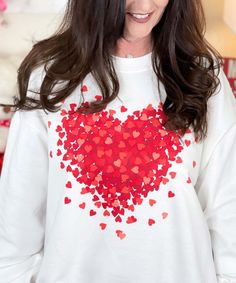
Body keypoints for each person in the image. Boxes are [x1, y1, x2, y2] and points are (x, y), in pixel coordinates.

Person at [0, 0, 236, 282]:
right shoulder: (51, 76)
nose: (145, 5)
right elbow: (17, 215)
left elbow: (227, 203)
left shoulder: (202, 75)